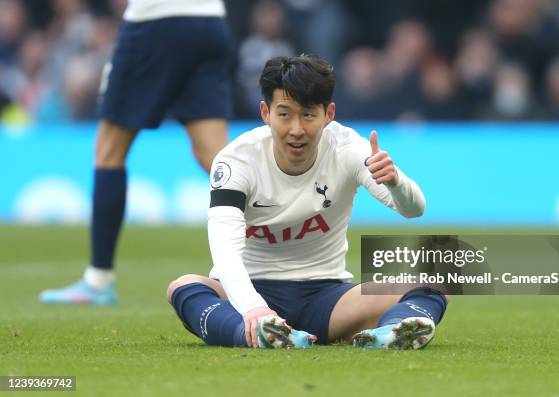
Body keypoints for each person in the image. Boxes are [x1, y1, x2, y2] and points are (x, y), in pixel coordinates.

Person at [166, 55, 447, 349]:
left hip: (327, 298)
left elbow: (414, 209)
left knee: (438, 277)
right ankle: (257, 333)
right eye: (285, 114)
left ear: (329, 114)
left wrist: (395, 182)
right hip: (250, 290)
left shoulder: (349, 148)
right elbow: (225, 252)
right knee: (184, 287)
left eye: (309, 115)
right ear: (266, 112)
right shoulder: (237, 161)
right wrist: (254, 308)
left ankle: (392, 331)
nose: (297, 129)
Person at [39, 0, 232, 304]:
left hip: (155, 19)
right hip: (210, 20)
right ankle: (281, 248)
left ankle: (98, 279)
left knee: (109, 149)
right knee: (217, 158)